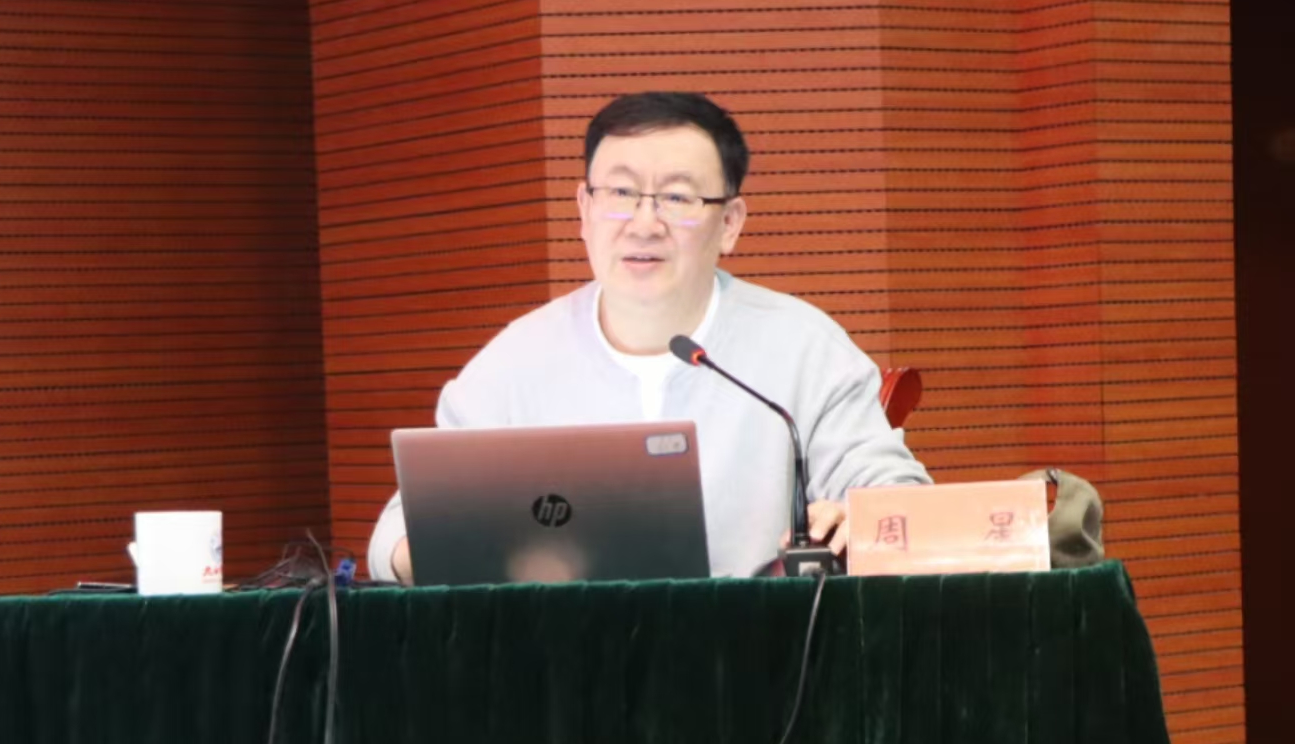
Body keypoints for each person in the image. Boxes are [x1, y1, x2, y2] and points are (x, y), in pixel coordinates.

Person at [368, 91, 930, 583]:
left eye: (678, 199)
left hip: (756, 652)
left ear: (729, 223)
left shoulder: (802, 347)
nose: (643, 224)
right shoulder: (514, 361)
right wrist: (452, 551)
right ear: (584, 210)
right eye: (620, 193)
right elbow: (396, 535)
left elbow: (898, 497)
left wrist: (863, 521)